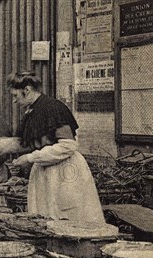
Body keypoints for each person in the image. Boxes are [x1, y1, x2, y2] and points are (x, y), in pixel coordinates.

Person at [8, 71, 104, 222]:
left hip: (64, 171)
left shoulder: (53, 108)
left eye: (15, 96)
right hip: (46, 170)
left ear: (26, 90)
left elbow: (68, 146)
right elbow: (29, 143)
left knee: (69, 220)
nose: (14, 101)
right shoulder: (32, 111)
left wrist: (31, 157)